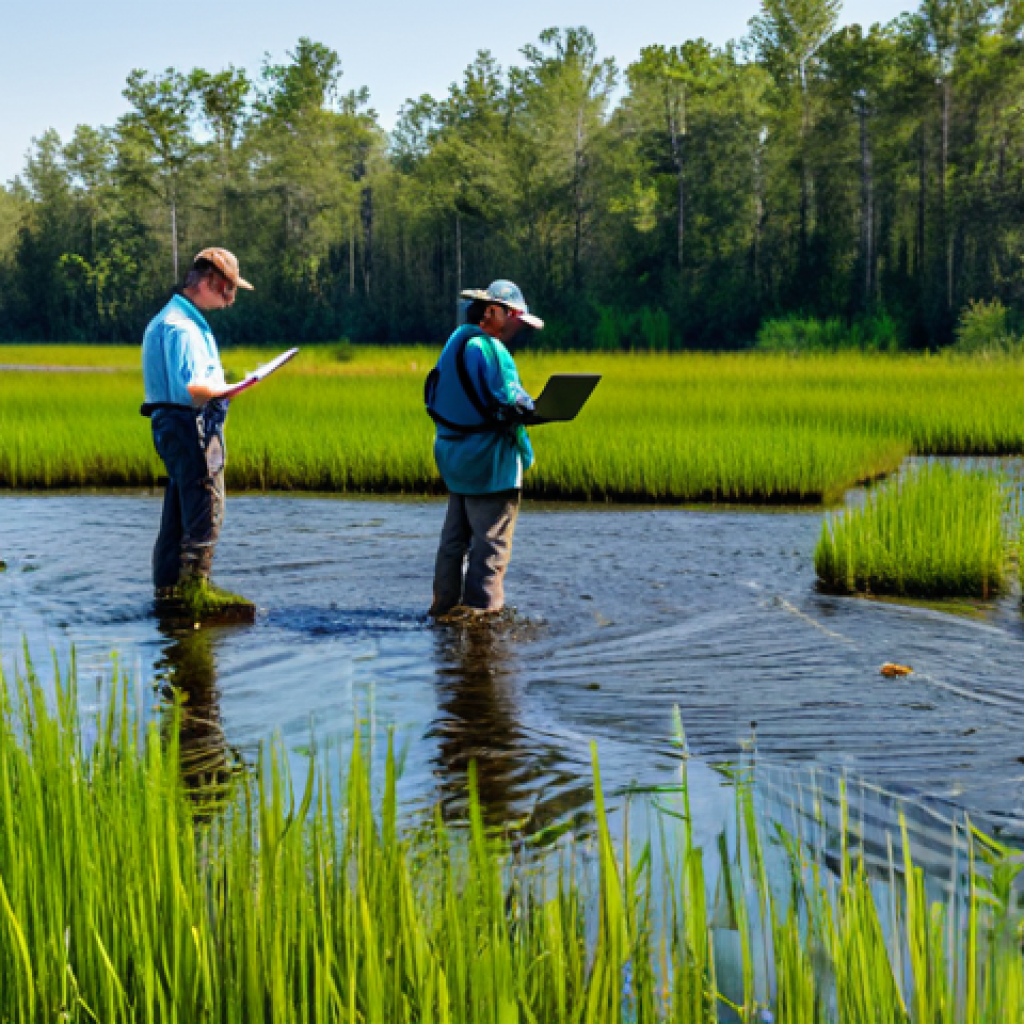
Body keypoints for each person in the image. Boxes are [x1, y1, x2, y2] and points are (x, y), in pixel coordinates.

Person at [425, 279, 544, 617]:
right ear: (493, 311)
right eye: (515, 318)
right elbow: (511, 402)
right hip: (490, 465)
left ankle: (443, 610)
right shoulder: (491, 350)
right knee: (491, 546)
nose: (518, 327)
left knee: (453, 544)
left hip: (456, 461)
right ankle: (483, 618)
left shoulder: (456, 343)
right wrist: (538, 410)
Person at [141, 247, 252, 599]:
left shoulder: (172, 318)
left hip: (173, 427)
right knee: (205, 513)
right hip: (191, 429)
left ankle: (168, 593)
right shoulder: (182, 327)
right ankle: (194, 595)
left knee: (177, 515)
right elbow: (194, 389)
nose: (232, 299)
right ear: (211, 282)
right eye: (230, 289)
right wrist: (233, 389)